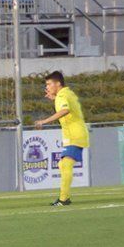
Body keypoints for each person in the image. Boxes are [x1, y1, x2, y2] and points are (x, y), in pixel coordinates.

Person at [33, 71, 90, 206]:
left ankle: (64, 199)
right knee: (62, 164)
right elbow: (69, 106)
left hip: (74, 135)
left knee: (65, 164)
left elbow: (65, 110)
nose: (47, 87)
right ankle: (65, 197)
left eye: (49, 84)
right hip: (74, 134)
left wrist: (44, 121)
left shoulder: (62, 95)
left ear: (58, 83)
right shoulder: (66, 93)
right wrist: (54, 98)